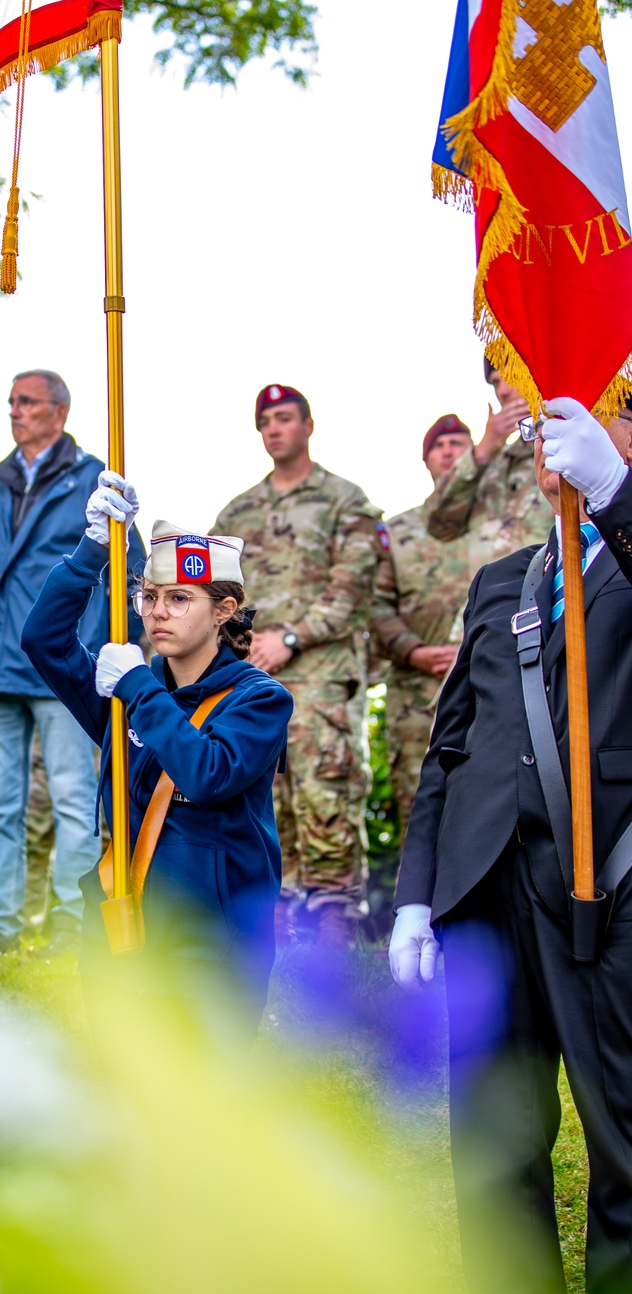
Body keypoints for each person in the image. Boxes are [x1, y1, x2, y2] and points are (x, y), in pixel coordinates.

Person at [389, 396, 632, 1294]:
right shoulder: (501, 582)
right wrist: (414, 897)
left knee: (625, 1150)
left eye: (591, 425)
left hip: (610, 886)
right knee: (495, 1153)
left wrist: (621, 501)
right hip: (485, 892)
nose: (553, 449)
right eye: (544, 434)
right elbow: (449, 751)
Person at [21, 475, 293, 1010]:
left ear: (223, 609)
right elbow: (43, 641)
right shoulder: (129, 689)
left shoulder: (259, 699)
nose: (156, 612)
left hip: (211, 948)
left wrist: (136, 686)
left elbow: (208, 772)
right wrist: (92, 552)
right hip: (120, 932)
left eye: (178, 598)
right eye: (148, 596)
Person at [0, 368, 145, 957]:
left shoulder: (94, 478)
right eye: (11, 400)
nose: (15, 411)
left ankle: (71, 926)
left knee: (73, 799)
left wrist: (112, 648)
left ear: (60, 412)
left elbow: (130, 566)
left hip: (61, 666)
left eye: (28, 402)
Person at [213, 384, 382, 948]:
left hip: (321, 674)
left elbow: (354, 586)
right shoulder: (237, 512)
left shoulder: (344, 500)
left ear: (309, 425)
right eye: (265, 422)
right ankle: (277, 910)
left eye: (285, 418)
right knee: (265, 789)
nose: (274, 429)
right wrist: (243, 648)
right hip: (253, 675)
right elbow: (219, 593)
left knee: (326, 789)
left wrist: (291, 635)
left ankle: (334, 913)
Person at [371, 416, 473, 835]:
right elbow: (376, 604)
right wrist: (414, 650)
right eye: (439, 445)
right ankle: (416, 901)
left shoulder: (502, 524)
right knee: (420, 809)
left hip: (486, 680)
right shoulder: (397, 530)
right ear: (426, 460)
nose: (449, 451)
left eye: (458, 442)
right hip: (416, 692)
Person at [424, 359, 547, 567]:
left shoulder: (567, 448)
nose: (503, 392)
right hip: (493, 597)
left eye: (512, 377)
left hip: (555, 594)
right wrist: (481, 453)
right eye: (496, 383)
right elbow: (439, 524)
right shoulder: (490, 466)